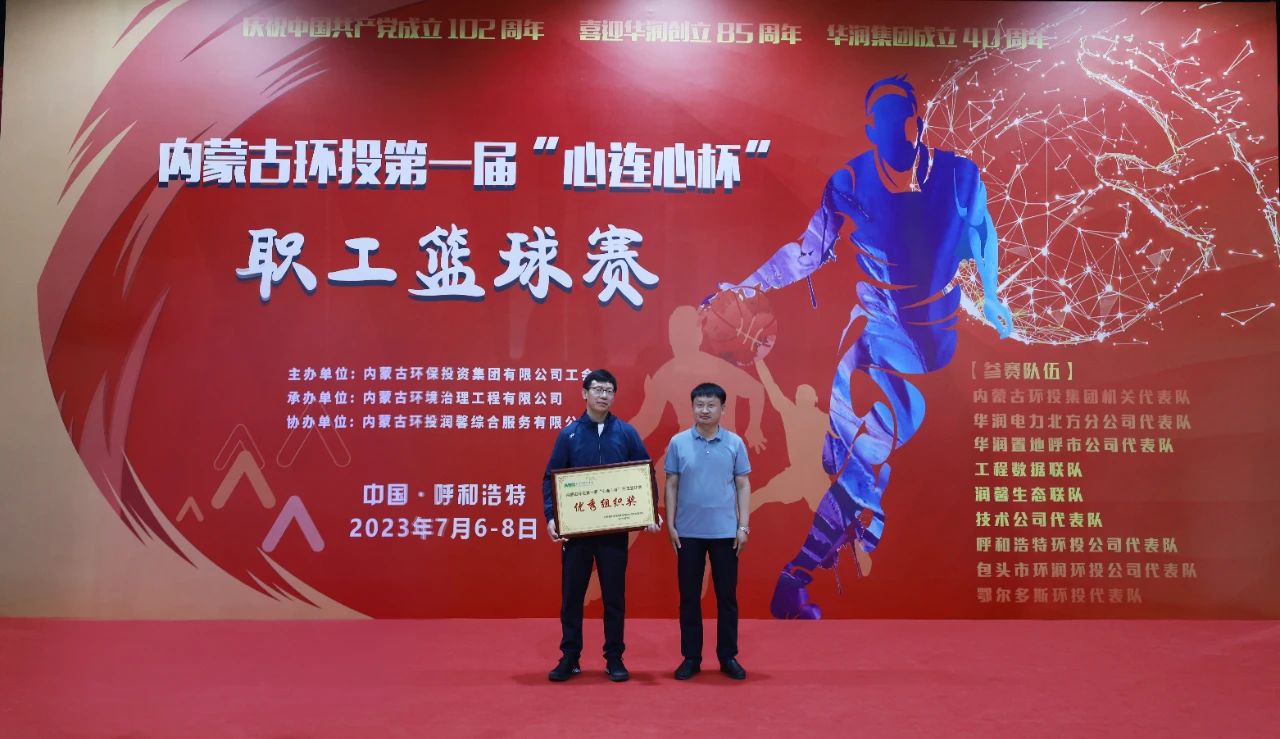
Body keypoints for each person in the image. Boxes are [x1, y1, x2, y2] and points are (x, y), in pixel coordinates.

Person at [710, 74, 1013, 619]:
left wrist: (992, 297)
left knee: (867, 465)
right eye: (884, 122)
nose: (896, 132)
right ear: (871, 130)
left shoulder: (959, 176)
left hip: (931, 346)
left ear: (917, 122)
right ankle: (795, 579)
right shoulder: (848, 182)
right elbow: (808, 251)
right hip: (872, 338)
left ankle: (812, 561)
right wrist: (747, 285)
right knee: (858, 460)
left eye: (905, 120)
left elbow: (982, 231)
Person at [543, 369, 659, 683]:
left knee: (614, 596)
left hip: (613, 532)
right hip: (577, 532)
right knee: (572, 596)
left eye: (609, 390)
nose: (603, 395)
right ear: (585, 393)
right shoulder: (568, 435)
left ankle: (614, 658)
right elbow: (550, 478)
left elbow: (644, 474)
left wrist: (649, 512)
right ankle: (570, 656)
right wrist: (552, 517)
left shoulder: (626, 433)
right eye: (597, 389)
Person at [664, 382, 751, 680]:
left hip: (726, 533)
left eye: (711, 405)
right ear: (692, 407)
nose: (704, 410)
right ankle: (691, 657)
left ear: (722, 409)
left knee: (727, 598)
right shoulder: (678, 443)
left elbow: (743, 485)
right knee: (689, 597)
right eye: (699, 405)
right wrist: (671, 524)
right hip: (688, 533)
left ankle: (728, 657)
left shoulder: (735, 443)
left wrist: (743, 526)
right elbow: (671, 484)